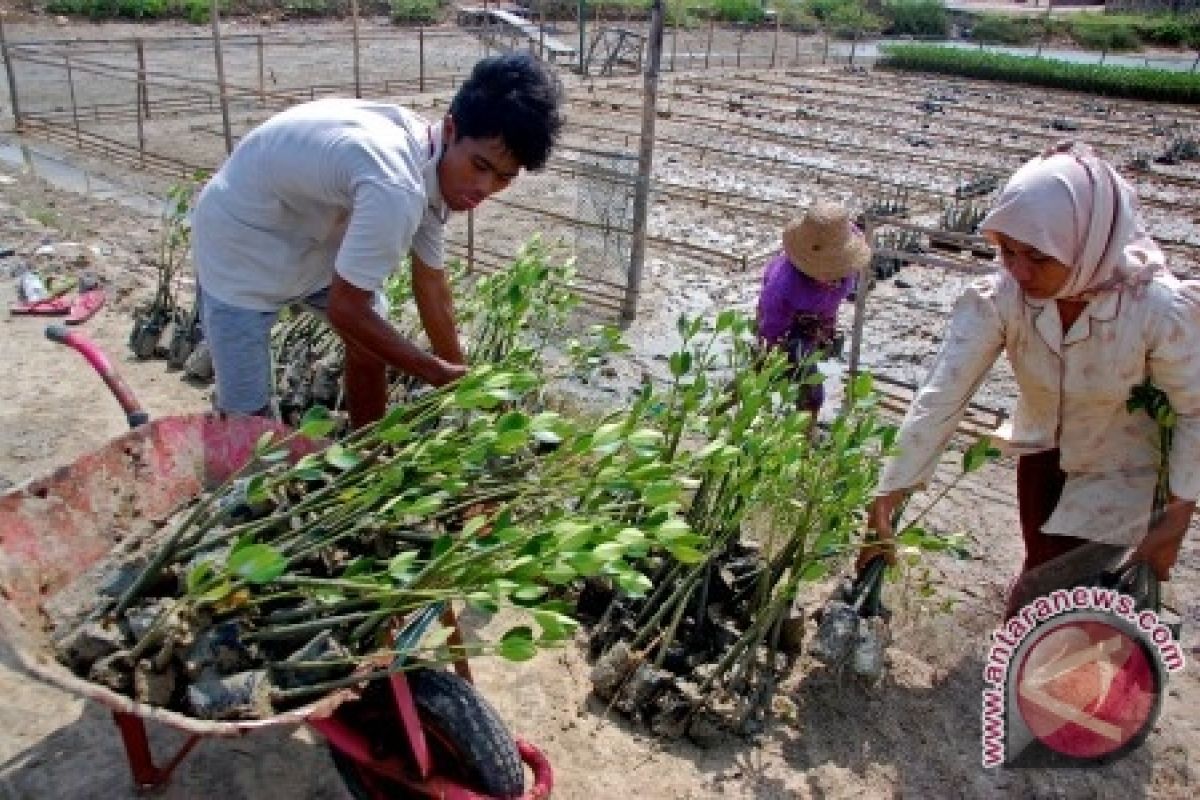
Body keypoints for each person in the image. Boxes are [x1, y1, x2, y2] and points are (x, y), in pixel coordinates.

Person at [860, 143, 1200, 616]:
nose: (1019, 270)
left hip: (1120, 471)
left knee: (1042, 602)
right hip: (1041, 454)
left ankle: (1020, 674)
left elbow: (1193, 409)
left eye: (1038, 257)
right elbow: (942, 394)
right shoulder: (1003, 297)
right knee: (1048, 573)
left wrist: (1177, 516)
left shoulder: (1155, 309)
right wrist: (888, 494)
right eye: (1007, 252)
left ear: (1084, 243)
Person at [192, 53, 564, 429]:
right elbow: (345, 310)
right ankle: (243, 477)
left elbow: (431, 286)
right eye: (481, 166)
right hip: (241, 243)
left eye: (503, 178)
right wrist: (433, 371)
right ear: (450, 130)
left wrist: (465, 381)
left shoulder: (438, 170)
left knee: (369, 341)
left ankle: (367, 447)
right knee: (246, 422)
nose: (484, 188)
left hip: (311, 240)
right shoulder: (396, 181)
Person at [756, 200, 870, 419]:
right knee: (761, 375)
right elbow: (771, 324)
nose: (833, 278)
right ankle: (722, 414)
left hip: (813, 321)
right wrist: (772, 349)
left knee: (810, 393)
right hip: (784, 324)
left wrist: (826, 328)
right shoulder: (785, 284)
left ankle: (802, 436)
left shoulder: (844, 266)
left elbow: (833, 304)